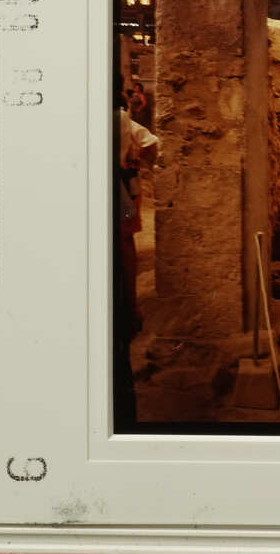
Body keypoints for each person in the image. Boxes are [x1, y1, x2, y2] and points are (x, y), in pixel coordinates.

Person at [114, 82, 158, 428]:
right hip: (122, 186)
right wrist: (145, 165)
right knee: (125, 246)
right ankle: (131, 307)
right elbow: (152, 143)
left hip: (113, 186)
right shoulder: (123, 119)